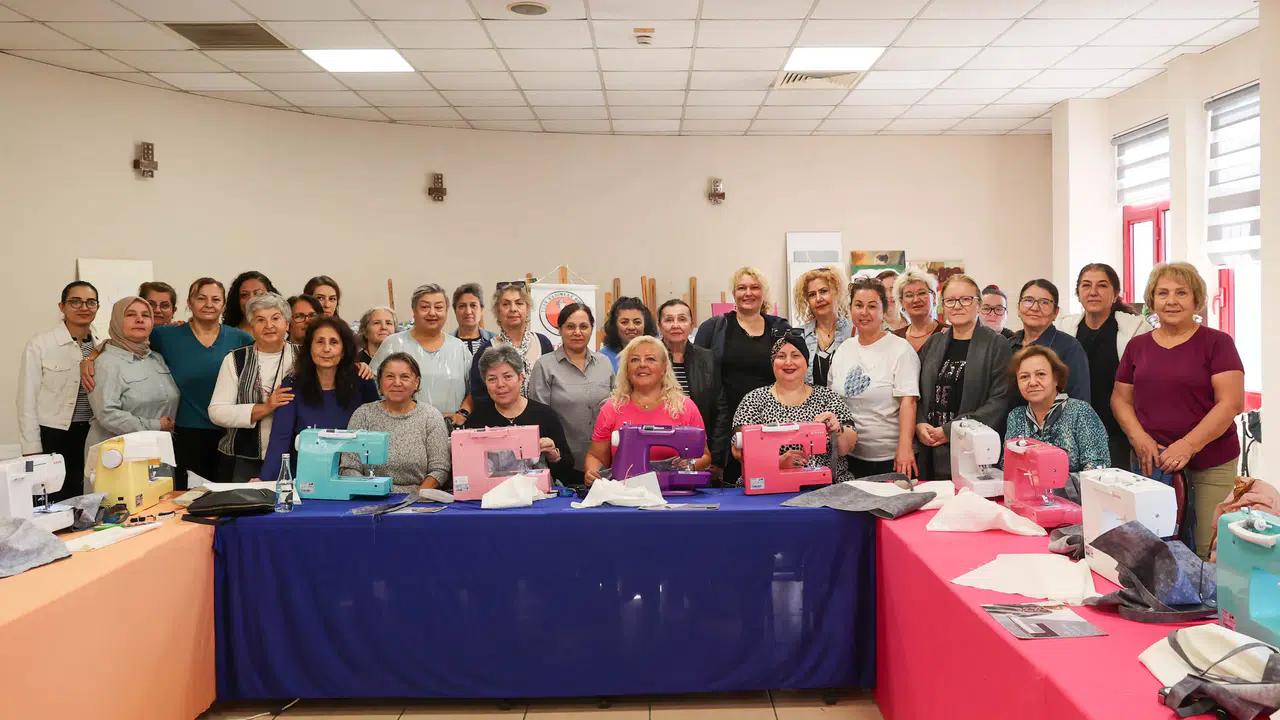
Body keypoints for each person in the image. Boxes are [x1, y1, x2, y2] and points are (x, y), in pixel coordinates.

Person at [1112, 262, 1245, 558]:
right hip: (1152, 461)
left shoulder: (1218, 343)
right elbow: (1120, 399)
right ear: (1152, 300)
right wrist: (1139, 438)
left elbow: (1231, 403)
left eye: (1181, 293)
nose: (1171, 301)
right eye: (1163, 293)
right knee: (1152, 545)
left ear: (1196, 300)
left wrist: (1188, 445)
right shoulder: (1137, 346)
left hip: (1210, 461)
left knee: (1206, 548)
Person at [145, 279, 253, 487]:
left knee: (224, 494)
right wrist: (92, 356)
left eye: (215, 299)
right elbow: (126, 342)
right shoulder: (165, 335)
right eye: (201, 298)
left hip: (229, 434)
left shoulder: (240, 338)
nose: (208, 304)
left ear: (223, 305)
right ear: (189, 303)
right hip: (183, 433)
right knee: (185, 497)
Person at [694, 267, 790, 478]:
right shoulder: (713, 328)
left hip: (770, 423)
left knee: (773, 480)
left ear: (763, 293)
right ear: (733, 293)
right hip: (724, 426)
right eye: (741, 288)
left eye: (754, 287)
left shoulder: (780, 328)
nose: (748, 293)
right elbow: (698, 377)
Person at [260, 317, 381, 482]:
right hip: (304, 478)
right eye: (319, 342)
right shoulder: (292, 384)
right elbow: (280, 438)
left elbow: (376, 432)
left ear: (343, 350)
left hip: (353, 477)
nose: (326, 349)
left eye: (334, 342)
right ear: (309, 347)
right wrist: (264, 481)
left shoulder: (362, 381)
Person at [916, 274, 1013, 480]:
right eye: (950, 300)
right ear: (943, 306)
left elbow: (1000, 400)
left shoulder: (997, 345)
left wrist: (951, 430)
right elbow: (917, 391)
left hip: (972, 449)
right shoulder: (934, 343)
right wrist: (920, 422)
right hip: (930, 445)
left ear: (979, 304)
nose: (957, 306)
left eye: (965, 299)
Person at [1055, 263, 1152, 468]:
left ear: (1115, 294)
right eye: (1086, 285)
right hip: (1073, 433)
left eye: (1102, 285)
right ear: (1078, 294)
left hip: (1118, 434)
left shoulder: (1135, 331)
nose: (1093, 292)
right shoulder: (1064, 329)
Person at [731, 331, 858, 484]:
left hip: (827, 486)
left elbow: (847, 447)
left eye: (796, 355)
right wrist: (778, 462)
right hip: (770, 485)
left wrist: (837, 430)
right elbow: (738, 451)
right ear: (773, 363)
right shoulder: (754, 400)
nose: (788, 362)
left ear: (806, 362)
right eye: (781, 356)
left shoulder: (828, 398)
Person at [584, 336, 711, 485]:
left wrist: (691, 464)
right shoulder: (611, 409)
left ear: (664, 368)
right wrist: (592, 472)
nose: (642, 364)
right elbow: (596, 456)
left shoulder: (685, 407)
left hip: (674, 491)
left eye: (650, 359)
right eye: (635, 360)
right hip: (624, 492)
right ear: (626, 369)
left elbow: (704, 457)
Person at [828, 277, 920, 478]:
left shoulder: (900, 349)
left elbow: (908, 402)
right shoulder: (844, 349)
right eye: (858, 305)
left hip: (892, 458)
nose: (864, 312)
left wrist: (905, 448)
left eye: (872, 306)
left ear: (883, 310)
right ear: (850, 309)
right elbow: (833, 398)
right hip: (851, 457)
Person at [17, 281, 100, 500]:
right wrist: (32, 449)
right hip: (55, 435)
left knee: (91, 499)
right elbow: (26, 399)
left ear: (97, 307)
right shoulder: (41, 344)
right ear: (62, 306)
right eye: (75, 302)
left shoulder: (101, 346)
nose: (84, 307)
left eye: (90, 302)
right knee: (56, 501)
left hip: (93, 434)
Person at [85, 297, 179, 482]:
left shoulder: (156, 359)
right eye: (130, 314)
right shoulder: (106, 363)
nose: (139, 320)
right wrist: (156, 425)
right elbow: (107, 414)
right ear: (117, 321)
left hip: (157, 451)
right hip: (118, 457)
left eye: (145, 315)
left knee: (160, 498)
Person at [208, 293, 299, 482]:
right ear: (251, 327)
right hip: (244, 458)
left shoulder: (304, 357)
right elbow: (216, 412)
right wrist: (266, 407)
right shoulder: (235, 359)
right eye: (260, 320)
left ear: (287, 324)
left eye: (275, 318)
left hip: (295, 456)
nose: (269, 325)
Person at [529, 303, 615, 486]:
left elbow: (616, 409)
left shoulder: (604, 363)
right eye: (570, 326)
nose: (577, 332)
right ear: (560, 330)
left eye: (583, 326)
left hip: (603, 462)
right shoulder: (545, 366)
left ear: (591, 329)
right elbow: (538, 418)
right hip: (563, 463)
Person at [343, 353, 450, 495]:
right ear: (379, 382)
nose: (397, 383)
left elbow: (439, 469)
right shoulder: (363, 414)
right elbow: (349, 466)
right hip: (369, 497)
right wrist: (370, 493)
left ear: (416, 382)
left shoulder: (431, 416)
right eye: (390, 376)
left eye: (405, 377)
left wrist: (415, 497)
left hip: (417, 499)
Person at [465, 345, 575, 484]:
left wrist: (554, 456)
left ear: (520, 378)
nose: (500, 384)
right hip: (491, 492)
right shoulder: (476, 420)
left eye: (507, 377)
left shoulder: (545, 415)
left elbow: (567, 471)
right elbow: (469, 472)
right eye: (492, 379)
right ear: (485, 383)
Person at [370, 284, 471, 423]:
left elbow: (475, 388)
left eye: (439, 307)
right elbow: (372, 386)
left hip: (450, 427)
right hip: (401, 426)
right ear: (414, 311)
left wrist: (463, 413)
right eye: (425, 307)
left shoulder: (458, 347)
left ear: (446, 311)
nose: (432, 313)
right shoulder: (393, 343)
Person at [1004, 346, 1110, 472]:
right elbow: (1007, 465)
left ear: (1056, 378)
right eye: (1024, 377)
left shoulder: (1080, 411)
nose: (1032, 382)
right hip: (1025, 485)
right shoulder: (1016, 416)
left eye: (1041, 374)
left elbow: (1097, 469)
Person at [656, 299, 727, 483]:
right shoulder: (650, 359)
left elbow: (720, 410)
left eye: (682, 319)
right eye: (669, 320)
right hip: (659, 450)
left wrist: (716, 458)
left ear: (691, 325)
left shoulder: (708, 359)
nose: (676, 325)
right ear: (660, 326)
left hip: (701, 452)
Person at [465, 281, 554, 409]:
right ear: (497, 311)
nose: (513, 309)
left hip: (541, 416)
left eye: (519, 303)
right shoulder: (487, 350)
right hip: (499, 418)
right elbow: (480, 397)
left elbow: (553, 387)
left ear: (528, 308)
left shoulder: (542, 342)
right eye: (506, 304)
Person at [1008, 279, 1091, 404]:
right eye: (1028, 300)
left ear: (1055, 313)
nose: (1035, 308)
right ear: (1019, 308)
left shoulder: (1070, 348)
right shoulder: (1008, 345)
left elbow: (1080, 403)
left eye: (1044, 302)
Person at [794, 267, 852, 388]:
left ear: (836, 292)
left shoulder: (854, 333)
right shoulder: (798, 336)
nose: (818, 299)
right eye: (812, 295)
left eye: (824, 291)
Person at [599, 296, 657, 371]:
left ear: (646, 325)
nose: (631, 327)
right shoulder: (601, 359)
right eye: (624, 322)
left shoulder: (657, 354)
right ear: (614, 326)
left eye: (637, 322)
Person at [894, 269, 944, 352]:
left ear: (934, 297)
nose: (916, 300)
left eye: (921, 293)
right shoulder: (895, 339)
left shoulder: (947, 333)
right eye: (909, 295)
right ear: (901, 302)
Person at [452, 282, 494, 359]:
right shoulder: (446, 343)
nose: (468, 312)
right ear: (455, 310)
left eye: (473, 305)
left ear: (481, 310)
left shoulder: (495, 341)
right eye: (462, 306)